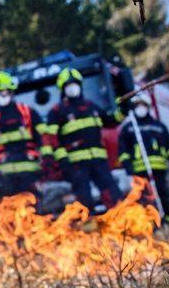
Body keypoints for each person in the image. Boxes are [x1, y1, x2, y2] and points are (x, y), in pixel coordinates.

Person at [43, 67, 123, 213]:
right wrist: (63, 161)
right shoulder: (57, 112)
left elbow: (111, 121)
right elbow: (52, 139)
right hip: (77, 165)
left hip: (99, 161)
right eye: (68, 85)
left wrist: (123, 110)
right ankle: (88, 230)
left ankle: (121, 224)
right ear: (62, 89)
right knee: (83, 201)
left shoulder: (91, 106)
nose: (72, 88)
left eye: (75, 84)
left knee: (112, 193)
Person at [118, 92, 169, 226]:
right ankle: (151, 222)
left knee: (165, 193)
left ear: (148, 107)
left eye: (142, 105)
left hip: (160, 168)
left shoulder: (158, 126)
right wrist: (127, 164)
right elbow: (123, 149)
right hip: (140, 169)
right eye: (137, 105)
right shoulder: (129, 128)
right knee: (145, 197)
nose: (140, 108)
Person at [0, 71, 48, 198]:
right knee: (12, 209)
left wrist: (48, 158)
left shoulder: (27, 113)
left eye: (5, 92)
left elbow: (43, 139)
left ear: (12, 92)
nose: (2, 95)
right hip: (6, 178)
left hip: (30, 173)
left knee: (33, 205)